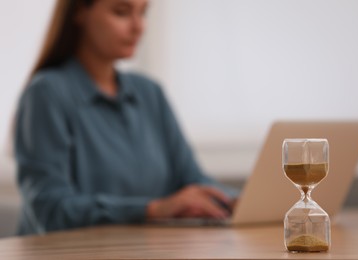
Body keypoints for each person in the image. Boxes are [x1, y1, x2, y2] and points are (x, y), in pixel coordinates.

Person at [14, 0, 238, 236]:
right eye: (121, 12)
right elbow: (51, 210)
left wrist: (237, 201)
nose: (138, 26)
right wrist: (153, 210)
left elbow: (192, 180)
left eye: (143, 13)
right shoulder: (47, 94)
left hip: (144, 250)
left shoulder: (150, 93)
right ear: (80, 12)